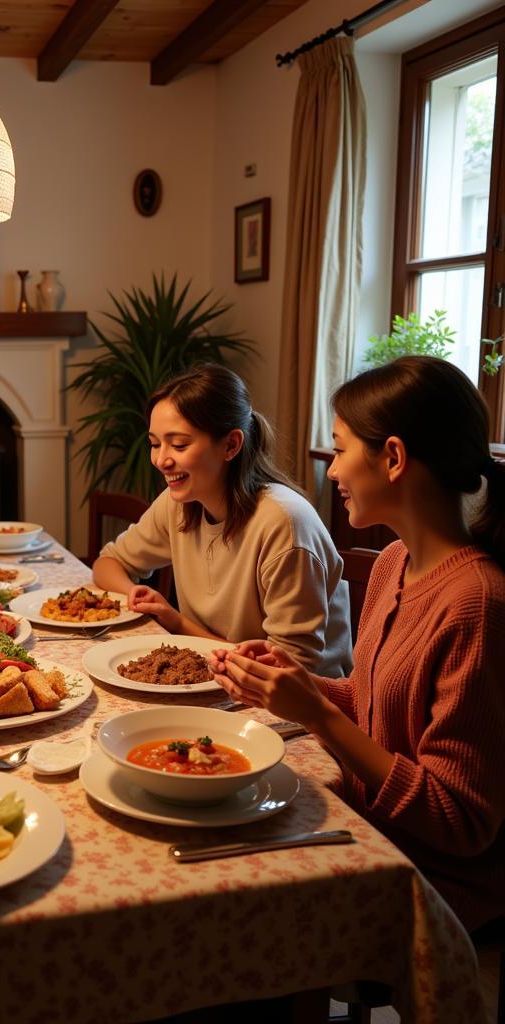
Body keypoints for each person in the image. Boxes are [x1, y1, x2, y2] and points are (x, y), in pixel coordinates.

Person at [212, 356, 505, 930]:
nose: (332, 470)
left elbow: (458, 820)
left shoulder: (478, 603)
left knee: (232, 905)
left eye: (340, 449)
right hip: (367, 826)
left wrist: (316, 713)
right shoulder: (394, 562)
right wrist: (296, 685)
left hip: (426, 878)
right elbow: (377, 706)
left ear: (393, 458)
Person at [92, 364, 352, 675]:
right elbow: (108, 563)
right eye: (154, 443)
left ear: (230, 445)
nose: (161, 460)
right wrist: (133, 593)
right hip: (213, 677)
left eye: (179, 444)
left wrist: (178, 623)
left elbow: (290, 670)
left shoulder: (284, 523)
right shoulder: (180, 503)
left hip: (296, 708)